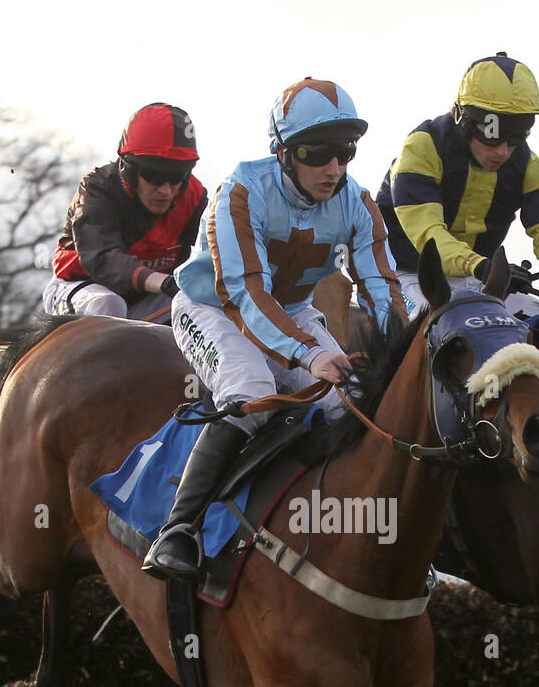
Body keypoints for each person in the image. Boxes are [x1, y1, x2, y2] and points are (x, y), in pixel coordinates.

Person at [141, 77, 407, 580]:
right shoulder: (239, 192)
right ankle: (178, 530)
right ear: (283, 153)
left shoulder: (357, 201)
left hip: (290, 310)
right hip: (212, 308)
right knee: (252, 389)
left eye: (345, 153)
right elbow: (245, 293)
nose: (334, 169)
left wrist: (405, 348)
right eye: (317, 153)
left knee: (344, 402)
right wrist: (309, 354)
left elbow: (382, 284)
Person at [376, 53, 539, 323]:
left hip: (475, 277)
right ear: (462, 117)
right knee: (441, 327)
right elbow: (430, 238)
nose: (503, 151)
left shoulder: (528, 164)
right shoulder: (421, 148)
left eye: (516, 137)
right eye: (492, 136)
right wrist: (483, 266)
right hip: (406, 274)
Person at [42, 102, 207, 320]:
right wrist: (163, 282)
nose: (165, 190)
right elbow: (103, 259)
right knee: (108, 304)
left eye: (177, 176)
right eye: (154, 175)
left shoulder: (194, 197)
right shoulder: (98, 189)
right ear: (128, 169)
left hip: (146, 297)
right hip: (83, 287)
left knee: (200, 305)